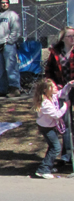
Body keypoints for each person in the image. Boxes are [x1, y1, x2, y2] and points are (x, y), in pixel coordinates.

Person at [32, 78, 74, 179]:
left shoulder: (52, 96)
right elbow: (56, 114)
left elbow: (61, 93)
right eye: (53, 86)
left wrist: (68, 85)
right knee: (56, 148)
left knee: (52, 147)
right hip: (46, 128)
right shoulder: (45, 103)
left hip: (50, 126)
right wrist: (65, 106)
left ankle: (48, 166)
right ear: (46, 90)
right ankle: (43, 170)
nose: (56, 87)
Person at [45, 26, 74, 162]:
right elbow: (49, 71)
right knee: (65, 123)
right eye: (70, 36)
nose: (72, 38)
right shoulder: (55, 52)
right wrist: (54, 86)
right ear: (63, 38)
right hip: (62, 90)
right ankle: (67, 154)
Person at [0, 0, 22, 98]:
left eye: (6, 2)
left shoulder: (12, 15)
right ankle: (2, 88)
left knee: (10, 67)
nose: (4, 4)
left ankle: (14, 88)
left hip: (7, 45)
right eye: (2, 2)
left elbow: (16, 30)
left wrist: (9, 42)